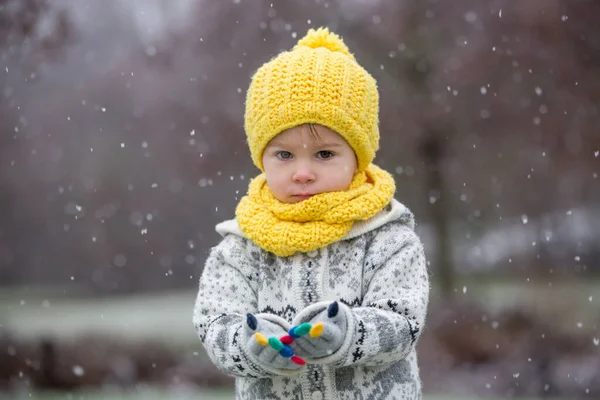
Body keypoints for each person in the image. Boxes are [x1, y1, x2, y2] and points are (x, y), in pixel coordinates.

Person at [193, 27, 430, 400]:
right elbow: (213, 323)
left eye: (324, 154)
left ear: (358, 157)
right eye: (284, 155)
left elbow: (402, 322)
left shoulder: (387, 236)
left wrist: (348, 332)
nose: (302, 172)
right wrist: (251, 343)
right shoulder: (240, 248)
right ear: (261, 158)